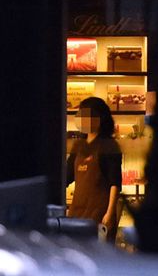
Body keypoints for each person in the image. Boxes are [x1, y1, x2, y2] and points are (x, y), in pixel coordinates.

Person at [67, 97, 122, 242]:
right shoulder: (78, 146)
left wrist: (109, 213)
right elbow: (66, 176)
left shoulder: (109, 146)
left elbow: (115, 183)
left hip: (99, 215)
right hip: (76, 215)